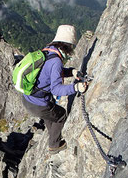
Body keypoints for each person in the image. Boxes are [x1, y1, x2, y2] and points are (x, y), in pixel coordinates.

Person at [22, 25, 87, 154]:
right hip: (38, 104)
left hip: (29, 98)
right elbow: (56, 90)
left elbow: (49, 73)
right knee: (61, 115)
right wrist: (76, 87)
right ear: (67, 45)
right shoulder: (56, 61)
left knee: (51, 114)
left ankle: (53, 135)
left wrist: (71, 72)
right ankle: (54, 145)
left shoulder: (48, 50)